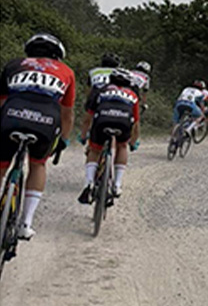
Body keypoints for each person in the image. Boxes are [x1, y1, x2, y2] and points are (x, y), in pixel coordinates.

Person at [0, 33, 76, 240]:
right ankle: (26, 223)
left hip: (12, 116)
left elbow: (1, 100)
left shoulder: (14, 64)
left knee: (1, 164)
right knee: (38, 164)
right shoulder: (66, 72)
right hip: (46, 121)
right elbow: (67, 114)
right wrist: (64, 140)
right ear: (58, 55)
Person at [78, 69, 140, 204]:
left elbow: (88, 118)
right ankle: (117, 184)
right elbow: (135, 124)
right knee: (122, 146)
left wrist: (83, 135)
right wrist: (133, 141)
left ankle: (88, 184)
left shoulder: (101, 91)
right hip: (123, 122)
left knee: (95, 150)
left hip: (103, 120)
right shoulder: (133, 95)